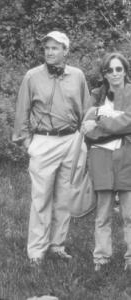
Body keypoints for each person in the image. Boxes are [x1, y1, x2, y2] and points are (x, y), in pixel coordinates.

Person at [13, 31, 90, 265]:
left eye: (55, 48)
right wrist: (27, 142)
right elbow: (21, 112)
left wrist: (84, 139)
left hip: (71, 140)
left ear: (66, 51)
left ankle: (57, 245)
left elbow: (87, 111)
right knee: (41, 198)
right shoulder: (32, 77)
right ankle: (36, 251)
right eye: (46, 48)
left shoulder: (77, 76)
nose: (49, 52)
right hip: (43, 141)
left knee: (65, 196)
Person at [82, 52, 131, 272]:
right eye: (110, 70)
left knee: (129, 214)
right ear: (104, 73)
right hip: (100, 158)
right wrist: (114, 124)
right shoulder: (96, 95)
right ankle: (101, 258)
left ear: (125, 71)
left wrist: (100, 120)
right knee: (103, 213)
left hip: (126, 156)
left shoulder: (130, 93)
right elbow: (86, 129)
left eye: (118, 69)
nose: (114, 74)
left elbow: (127, 122)